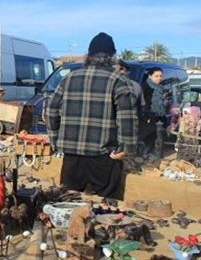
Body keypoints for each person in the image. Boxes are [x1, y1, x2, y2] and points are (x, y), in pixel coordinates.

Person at [46, 32, 138, 198]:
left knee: (68, 201)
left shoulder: (69, 78)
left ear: (89, 55)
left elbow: (52, 110)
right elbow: (127, 119)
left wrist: (55, 141)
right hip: (103, 157)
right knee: (104, 208)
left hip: (72, 156)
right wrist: (126, 149)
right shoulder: (119, 80)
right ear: (112, 56)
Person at [139, 67, 167, 156]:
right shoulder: (145, 87)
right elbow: (142, 104)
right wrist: (147, 117)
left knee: (156, 140)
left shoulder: (160, 88)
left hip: (157, 117)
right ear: (150, 76)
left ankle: (153, 158)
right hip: (147, 118)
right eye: (156, 76)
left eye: (160, 76)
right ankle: (144, 157)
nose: (159, 78)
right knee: (147, 139)